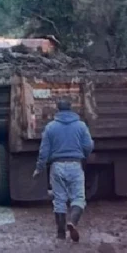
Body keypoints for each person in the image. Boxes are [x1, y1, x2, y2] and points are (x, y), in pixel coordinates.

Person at [33, 98, 94, 242]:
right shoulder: (81, 126)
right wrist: (84, 156)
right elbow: (88, 145)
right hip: (75, 164)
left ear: (58, 109)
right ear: (71, 108)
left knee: (59, 199)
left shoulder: (51, 127)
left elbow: (44, 151)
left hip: (57, 166)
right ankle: (72, 222)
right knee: (78, 198)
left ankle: (60, 234)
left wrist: (39, 168)